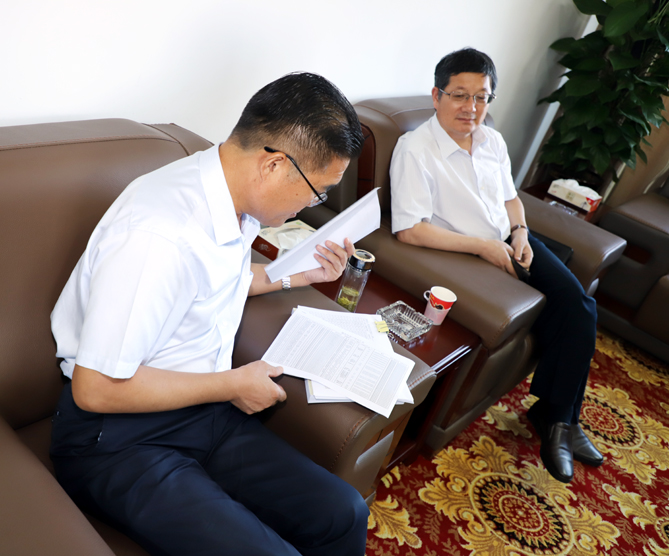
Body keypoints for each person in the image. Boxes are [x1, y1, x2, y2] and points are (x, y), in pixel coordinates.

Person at [49, 72, 369, 556]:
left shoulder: (227, 192)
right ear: (275, 165)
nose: (313, 204)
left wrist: (297, 275)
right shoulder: (158, 235)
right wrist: (232, 385)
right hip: (114, 437)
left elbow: (216, 280)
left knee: (344, 512)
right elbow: (94, 389)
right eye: (318, 191)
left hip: (198, 409)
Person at [389, 48, 603, 484]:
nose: (470, 107)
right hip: (470, 251)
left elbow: (510, 199)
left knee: (578, 304)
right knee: (573, 308)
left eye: (481, 97)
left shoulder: (493, 141)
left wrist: (521, 232)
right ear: (437, 95)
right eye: (459, 95)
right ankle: (560, 421)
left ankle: (560, 417)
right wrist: (482, 248)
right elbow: (409, 230)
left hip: (511, 241)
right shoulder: (415, 150)